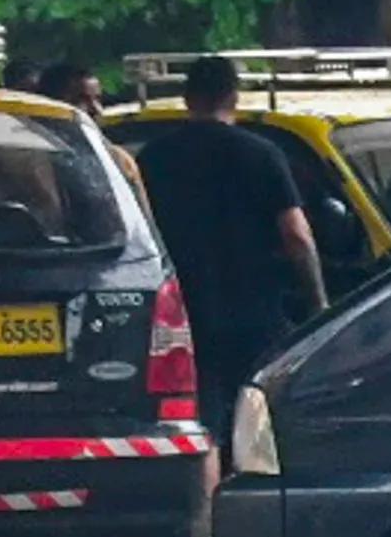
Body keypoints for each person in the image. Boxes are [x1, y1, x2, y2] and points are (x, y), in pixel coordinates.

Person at [134, 54, 328, 464]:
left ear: (187, 99)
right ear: (233, 96)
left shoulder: (152, 158)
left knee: (199, 424)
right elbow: (296, 236)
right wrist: (318, 304)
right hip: (255, 313)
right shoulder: (261, 154)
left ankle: (206, 512)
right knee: (259, 419)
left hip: (184, 315)